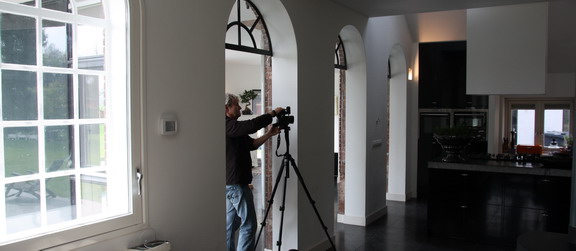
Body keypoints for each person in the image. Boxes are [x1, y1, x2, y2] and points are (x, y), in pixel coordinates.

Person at [225, 93, 284, 251]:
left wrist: (269, 134)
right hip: (236, 185)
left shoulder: (234, 128)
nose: (240, 107)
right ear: (226, 108)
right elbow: (252, 125)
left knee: (229, 227)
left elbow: (251, 144)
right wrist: (272, 114)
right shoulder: (227, 125)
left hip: (232, 185)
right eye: (236, 105)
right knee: (249, 226)